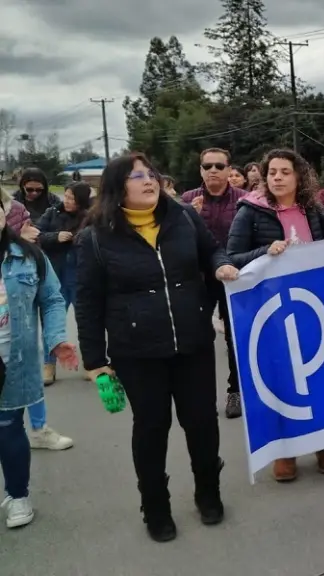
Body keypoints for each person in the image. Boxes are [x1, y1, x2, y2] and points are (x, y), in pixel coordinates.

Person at [76, 153, 237, 542]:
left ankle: (208, 492)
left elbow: (211, 250)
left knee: (201, 422)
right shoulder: (96, 236)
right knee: (151, 428)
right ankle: (155, 506)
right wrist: (95, 361)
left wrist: (219, 265)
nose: (148, 181)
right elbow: (87, 300)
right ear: (118, 187)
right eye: (136, 176)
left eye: (151, 173)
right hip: (137, 352)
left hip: (193, 341)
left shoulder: (183, 217)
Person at [227, 148, 324, 482]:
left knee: (320, 376)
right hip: (272, 313)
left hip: (315, 305)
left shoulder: (314, 210)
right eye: (272, 172)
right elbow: (233, 256)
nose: (277, 178)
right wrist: (266, 250)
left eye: (284, 172)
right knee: (282, 382)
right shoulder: (250, 212)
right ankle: (286, 451)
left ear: (298, 177)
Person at [0, 194, 78, 530]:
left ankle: (18, 495)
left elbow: (51, 300)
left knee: (8, 429)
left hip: (11, 364)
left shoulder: (29, 256)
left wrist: (57, 338)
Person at [181, 149, 247, 419]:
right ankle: (200, 394)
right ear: (200, 170)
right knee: (196, 338)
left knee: (235, 338)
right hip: (198, 280)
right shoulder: (186, 201)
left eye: (219, 166)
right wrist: (186, 218)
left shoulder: (245, 200)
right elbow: (171, 241)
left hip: (234, 277)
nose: (213, 170)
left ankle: (236, 391)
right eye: (207, 166)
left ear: (229, 169)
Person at [36, 182, 91, 392]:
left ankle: (91, 362)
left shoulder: (90, 216)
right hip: (55, 276)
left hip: (81, 276)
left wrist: (79, 239)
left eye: (72, 198)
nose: (67, 201)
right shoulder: (52, 213)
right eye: (66, 196)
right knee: (52, 322)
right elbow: (36, 234)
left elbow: (99, 239)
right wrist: (55, 236)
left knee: (86, 320)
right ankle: (48, 365)